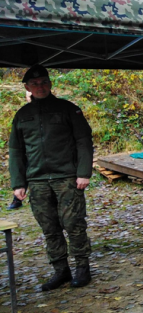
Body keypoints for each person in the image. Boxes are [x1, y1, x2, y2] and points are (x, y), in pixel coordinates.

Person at [9, 65, 94, 290]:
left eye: (44, 82)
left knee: (74, 223)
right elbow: (16, 150)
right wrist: (18, 183)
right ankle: (61, 270)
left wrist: (83, 172)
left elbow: (83, 140)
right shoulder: (22, 115)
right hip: (37, 181)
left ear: (50, 84)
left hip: (66, 177)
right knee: (49, 228)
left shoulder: (67, 109)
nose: (40, 87)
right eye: (35, 84)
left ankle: (82, 267)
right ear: (27, 87)